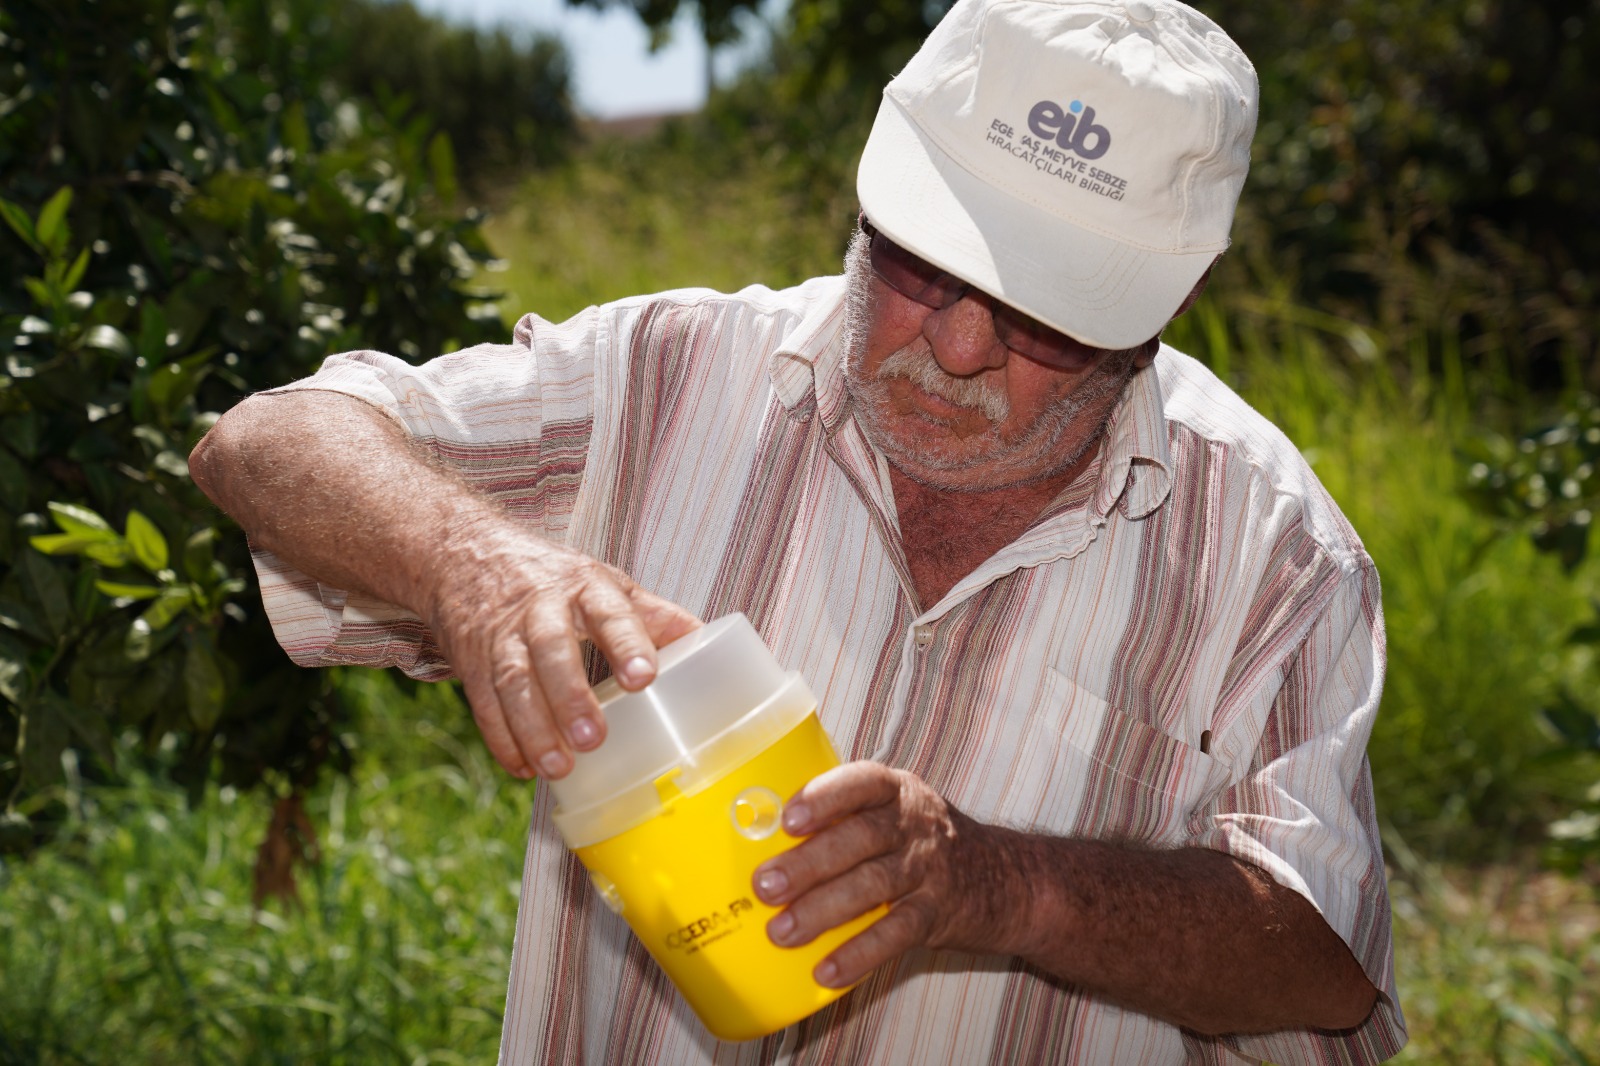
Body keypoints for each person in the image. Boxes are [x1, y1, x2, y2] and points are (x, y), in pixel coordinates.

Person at [190, 0, 1408, 1061]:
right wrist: (477, 564)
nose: (961, 346)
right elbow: (263, 444)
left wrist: (1001, 885)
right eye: (927, 264)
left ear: (1171, 301)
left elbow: (1321, 957)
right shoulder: (668, 373)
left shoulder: (1274, 554)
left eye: (1050, 313)